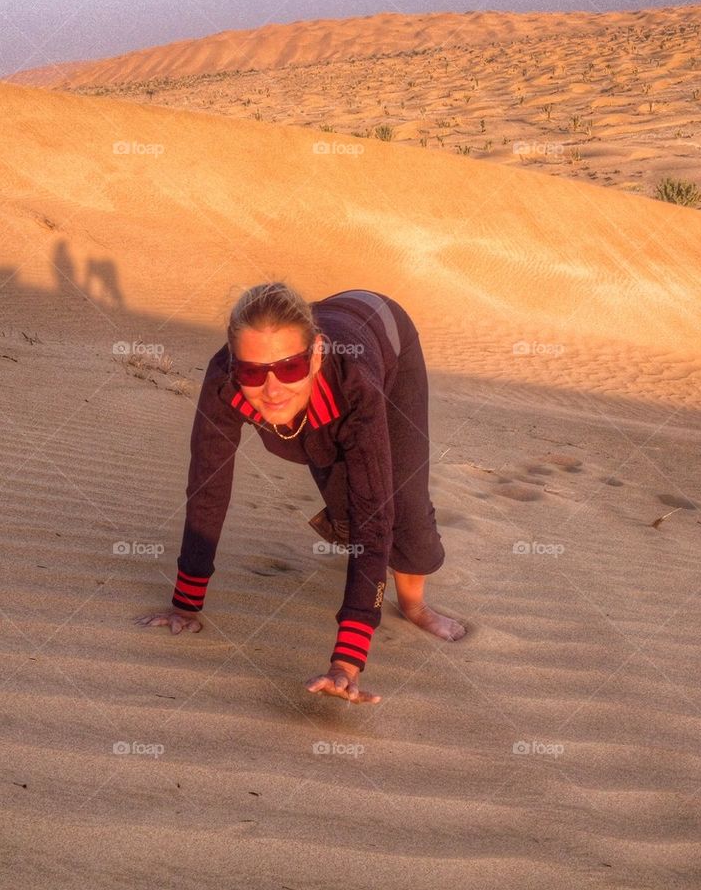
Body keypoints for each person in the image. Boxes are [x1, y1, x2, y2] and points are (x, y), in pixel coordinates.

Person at [133, 282, 465, 704]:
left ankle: (414, 604)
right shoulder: (225, 382)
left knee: (400, 505)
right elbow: (207, 487)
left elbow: (374, 513)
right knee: (346, 498)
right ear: (234, 365)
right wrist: (186, 604)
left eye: (289, 368)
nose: (271, 389)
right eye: (253, 372)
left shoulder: (355, 383)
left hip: (387, 337)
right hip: (327, 356)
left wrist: (347, 661)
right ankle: (368, 565)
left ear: (316, 354)